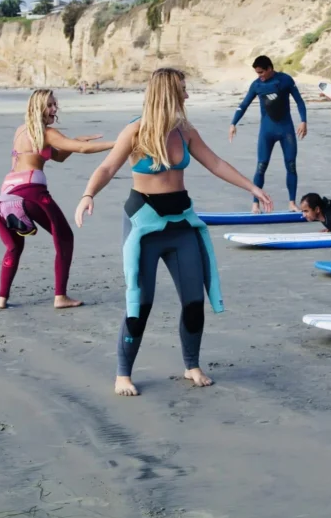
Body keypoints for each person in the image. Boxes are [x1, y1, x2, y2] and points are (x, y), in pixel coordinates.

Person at [77, 67, 272, 396]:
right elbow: (108, 166)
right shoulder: (136, 131)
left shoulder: (185, 131)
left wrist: (252, 187)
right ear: (167, 92)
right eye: (183, 88)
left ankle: (191, 365)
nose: (187, 94)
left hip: (181, 224)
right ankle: (123, 374)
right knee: (141, 302)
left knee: (194, 300)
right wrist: (87, 195)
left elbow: (215, 163)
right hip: (144, 226)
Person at [0, 89, 115, 310]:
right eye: (49, 105)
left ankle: (1, 298)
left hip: (6, 197)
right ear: (37, 107)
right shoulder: (48, 133)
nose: (54, 109)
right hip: (31, 194)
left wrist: (73, 143)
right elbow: (85, 149)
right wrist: (121, 143)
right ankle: (60, 297)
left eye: (55, 104)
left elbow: (57, 156)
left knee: (14, 247)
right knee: (64, 237)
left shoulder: (21, 131)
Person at [229, 55, 308, 214]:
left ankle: (292, 203)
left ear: (270, 69)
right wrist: (233, 123)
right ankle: (255, 204)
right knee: (261, 166)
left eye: (261, 72)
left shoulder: (285, 80)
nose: (260, 76)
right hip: (267, 131)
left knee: (291, 165)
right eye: (257, 73)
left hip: (286, 129)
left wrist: (303, 121)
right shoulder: (256, 85)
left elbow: (299, 101)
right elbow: (243, 104)